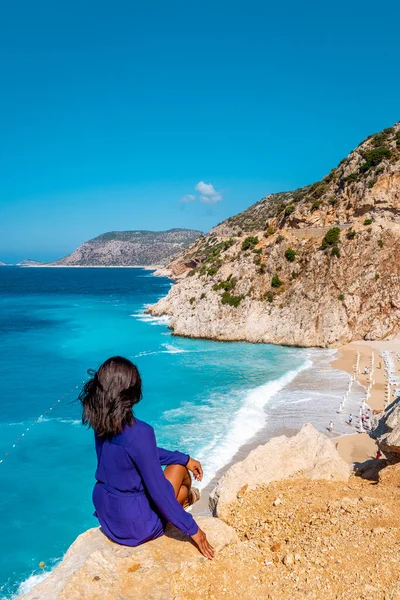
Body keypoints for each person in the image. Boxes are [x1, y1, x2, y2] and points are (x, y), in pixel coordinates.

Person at [79, 356, 214, 559]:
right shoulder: (141, 432)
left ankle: (187, 496)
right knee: (178, 471)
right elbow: (159, 492)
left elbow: (139, 452)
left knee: (179, 463)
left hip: (108, 513)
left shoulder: (101, 421)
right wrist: (194, 529)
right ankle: (186, 498)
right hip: (136, 525)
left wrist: (184, 457)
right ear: (132, 393)